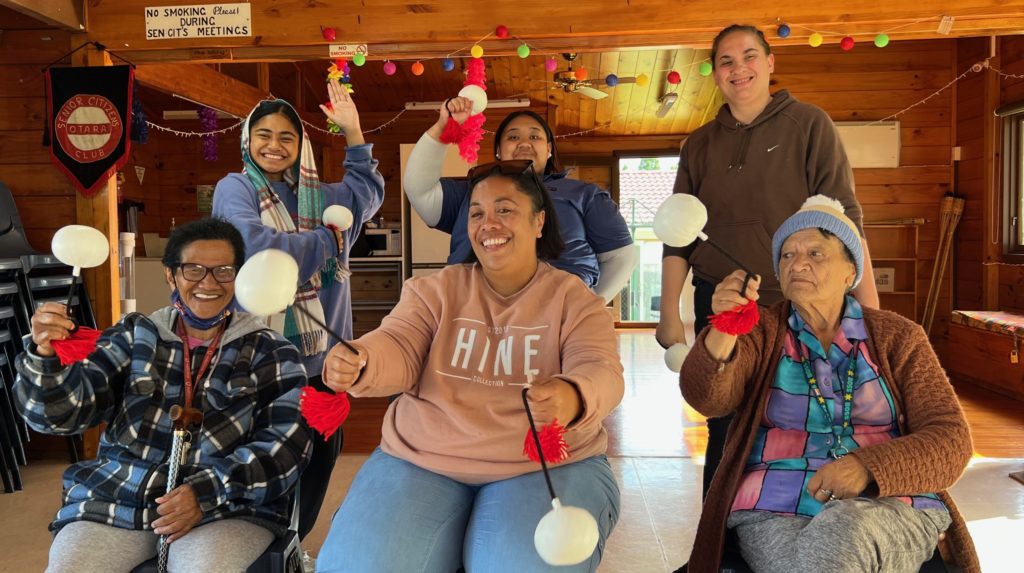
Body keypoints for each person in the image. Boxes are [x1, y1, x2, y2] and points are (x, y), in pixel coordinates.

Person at [315, 160, 624, 572]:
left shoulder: (576, 300)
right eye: (477, 213)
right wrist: (363, 359)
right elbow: (399, 344)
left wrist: (572, 395)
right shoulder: (433, 290)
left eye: (505, 210)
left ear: (539, 222)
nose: (488, 223)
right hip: (422, 456)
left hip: (546, 464)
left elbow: (601, 368)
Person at [679, 196, 979, 573]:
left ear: (850, 271)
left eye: (816, 253)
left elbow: (951, 439)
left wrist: (865, 468)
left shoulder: (899, 337)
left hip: (888, 502)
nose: (797, 263)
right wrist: (725, 327)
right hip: (773, 504)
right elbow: (706, 397)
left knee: (845, 530)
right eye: (786, 256)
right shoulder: (763, 333)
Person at [657, 23, 880, 500]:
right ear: (714, 74)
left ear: (771, 62)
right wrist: (668, 315)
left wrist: (871, 314)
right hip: (722, 304)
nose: (740, 69)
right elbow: (677, 236)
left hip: (802, 304)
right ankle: (715, 552)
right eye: (726, 61)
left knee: (800, 420)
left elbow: (846, 217)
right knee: (724, 423)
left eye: (750, 55)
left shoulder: (809, 124)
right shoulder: (698, 144)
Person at [14, 218, 312, 572]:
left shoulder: (271, 351)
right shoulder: (133, 335)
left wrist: (207, 490)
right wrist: (45, 359)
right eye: (193, 269)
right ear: (171, 275)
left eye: (223, 271)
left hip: (227, 507)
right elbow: (59, 416)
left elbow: (287, 446)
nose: (208, 283)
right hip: (119, 496)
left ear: (241, 276)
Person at [211, 80, 385, 540]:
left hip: (321, 360)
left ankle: (293, 546)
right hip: (259, 359)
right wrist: (328, 241)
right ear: (248, 141)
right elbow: (261, 249)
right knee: (263, 462)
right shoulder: (235, 188)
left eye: (287, 137)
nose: (274, 145)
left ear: (301, 145)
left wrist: (353, 131)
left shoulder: (319, 196)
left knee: (317, 463)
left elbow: (367, 194)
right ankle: (260, 548)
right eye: (264, 134)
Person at [404, 102, 636, 302]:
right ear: (498, 150)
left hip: (559, 311)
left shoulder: (585, 194)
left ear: (548, 150)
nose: (524, 143)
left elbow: (621, 255)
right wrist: (444, 127)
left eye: (534, 136)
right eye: (513, 137)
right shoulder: (471, 191)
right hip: (471, 309)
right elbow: (419, 190)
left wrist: (589, 307)